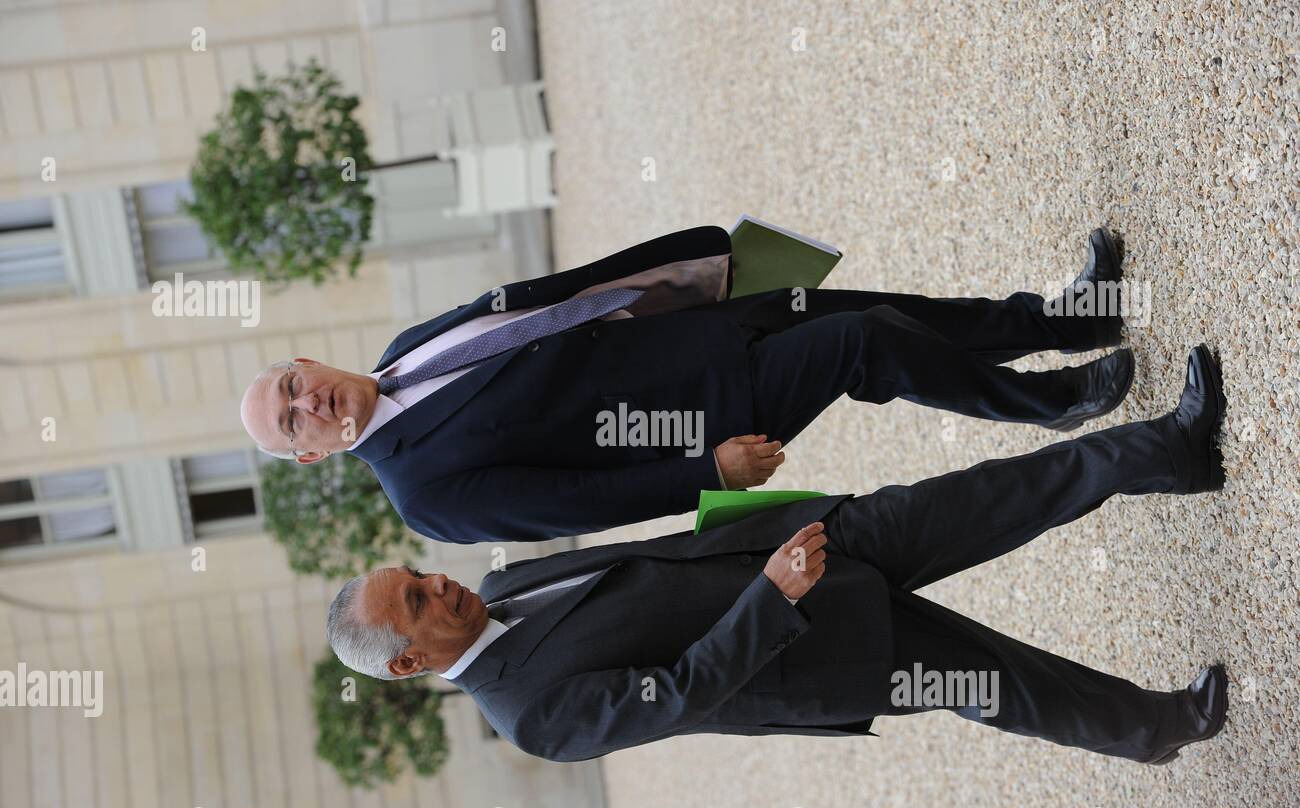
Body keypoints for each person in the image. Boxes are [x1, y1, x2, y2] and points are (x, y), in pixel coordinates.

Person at [325, 345, 1229, 766]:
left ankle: (1171, 452)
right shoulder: (529, 716)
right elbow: (677, 693)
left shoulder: (500, 579)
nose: (436, 581)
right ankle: (1162, 727)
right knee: (1005, 685)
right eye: (416, 602)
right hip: (815, 650)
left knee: (995, 494)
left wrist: (741, 516)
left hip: (808, 539)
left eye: (416, 573)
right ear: (409, 661)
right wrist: (771, 594)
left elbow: (649, 556)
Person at [241, 226, 1131, 543]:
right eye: (292, 423)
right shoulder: (423, 497)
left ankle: (1064, 321)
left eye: (293, 383)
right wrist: (707, 473)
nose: (305, 402)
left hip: (694, 330)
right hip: (701, 417)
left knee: (889, 314)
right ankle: (1058, 401)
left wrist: (683, 278)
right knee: (866, 345)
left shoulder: (404, 347)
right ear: (313, 455)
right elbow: (577, 505)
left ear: (307, 358)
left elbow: (548, 309)